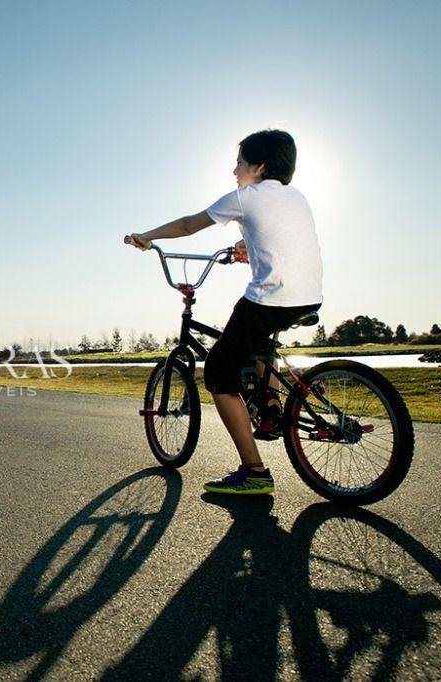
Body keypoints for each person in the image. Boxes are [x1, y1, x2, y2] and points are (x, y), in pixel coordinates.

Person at [127, 129, 323, 495]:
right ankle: (271, 406)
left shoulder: (245, 197)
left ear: (259, 167)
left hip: (272, 296)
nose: (235, 171)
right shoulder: (295, 197)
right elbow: (280, 234)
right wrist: (243, 244)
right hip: (309, 295)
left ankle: (254, 472)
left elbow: (188, 225)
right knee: (256, 344)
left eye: (239, 163)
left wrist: (146, 236)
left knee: (218, 372)